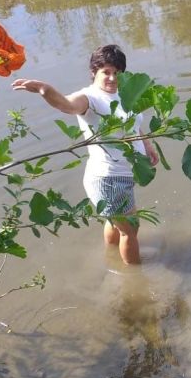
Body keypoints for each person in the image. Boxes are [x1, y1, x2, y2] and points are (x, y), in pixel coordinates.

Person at [12, 44, 159, 265]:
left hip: (124, 174)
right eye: (106, 72)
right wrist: (45, 89)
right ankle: (135, 282)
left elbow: (134, 125)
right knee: (130, 231)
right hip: (108, 179)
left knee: (115, 223)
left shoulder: (124, 94)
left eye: (117, 72)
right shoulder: (90, 98)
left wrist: (147, 146)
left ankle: (111, 258)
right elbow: (68, 105)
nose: (112, 78)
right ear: (94, 72)